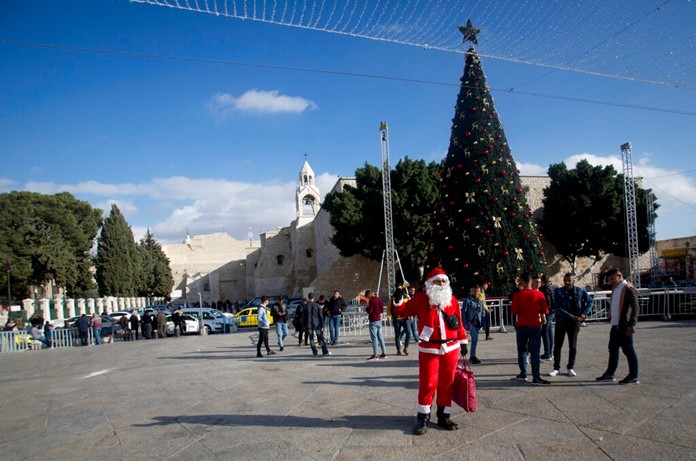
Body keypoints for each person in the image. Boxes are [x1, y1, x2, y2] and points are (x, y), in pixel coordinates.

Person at [392, 267, 468, 435]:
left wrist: (463, 341)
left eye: (444, 281)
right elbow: (401, 312)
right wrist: (397, 300)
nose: (441, 284)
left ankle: (444, 416)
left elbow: (459, 323)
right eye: (437, 281)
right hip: (429, 349)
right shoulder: (420, 299)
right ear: (429, 284)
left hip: (451, 348)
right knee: (428, 383)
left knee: (447, 383)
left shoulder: (452, 300)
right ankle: (423, 416)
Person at [596, 268, 640, 384]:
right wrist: (603, 274)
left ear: (620, 276)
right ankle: (610, 373)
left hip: (624, 324)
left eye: (613, 279)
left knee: (628, 350)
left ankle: (633, 375)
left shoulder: (628, 289)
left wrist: (631, 324)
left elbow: (635, 307)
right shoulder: (615, 288)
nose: (611, 281)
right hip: (615, 324)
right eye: (609, 279)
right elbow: (601, 285)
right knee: (613, 349)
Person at [549, 273, 594, 377]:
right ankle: (556, 367)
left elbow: (590, 301)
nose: (567, 282)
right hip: (562, 321)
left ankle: (570, 366)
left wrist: (584, 313)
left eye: (569, 280)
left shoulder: (579, 291)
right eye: (565, 280)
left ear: (573, 281)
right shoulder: (559, 292)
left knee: (572, 345)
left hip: (575, 322)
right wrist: (570, 316)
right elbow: (558, 307)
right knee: (558, 345)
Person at [511, 272, 550, 385]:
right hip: (535, 325)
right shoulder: (539, 295)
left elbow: (514, 311)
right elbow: (545, 311)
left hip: (522, 325)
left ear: (522, 281)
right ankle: (536, 377)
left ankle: (523, 373)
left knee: (522, 350)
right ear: (531, 281)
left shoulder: (517, 295)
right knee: (535, 352)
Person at [461, 284, 485, 364]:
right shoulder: (467, 300)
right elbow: (464, 312)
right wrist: (465, 324)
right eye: (475, 291)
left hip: (477, 322)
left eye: (478, 291)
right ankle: (472, 356)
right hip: (470, 323)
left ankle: (473, 355)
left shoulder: (480, 300)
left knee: (475, 339)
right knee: (474, 339)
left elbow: (482, 312)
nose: (476, 293)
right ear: (472, 291)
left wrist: (483, 322)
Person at [365, 290, 388, 360]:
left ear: (369, 295)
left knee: (374, 338)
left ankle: (375, 354)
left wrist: (367, 308)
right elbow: (381, 310)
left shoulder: (371, 301)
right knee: (380, 337)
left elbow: (370, 311)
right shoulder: (378, 299)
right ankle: (384, 353)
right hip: (379, 319)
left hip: (373, 320)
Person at [390, 284, 411, 355]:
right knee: (397, 335)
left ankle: (406, 347)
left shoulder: (405, 297)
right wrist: (388, 316)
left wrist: (411, 314)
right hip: (397, 319)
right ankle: (398, 349)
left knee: (408, 332)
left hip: (405, 318)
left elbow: (408, 305)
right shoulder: (392, 298)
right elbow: (389, 307)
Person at [538, 274, 555, 361]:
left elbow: (545, 301)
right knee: (549, 331)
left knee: (545, 332)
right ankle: (550, 352)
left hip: (547, 312)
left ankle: (547, 353)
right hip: (552, 311)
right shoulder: (553, 287)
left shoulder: (543, 289)